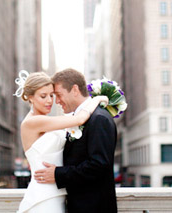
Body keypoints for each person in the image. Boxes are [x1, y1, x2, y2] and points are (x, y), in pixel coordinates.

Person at [15, 71, 107, 213]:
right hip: (43, 195)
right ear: (30, 98)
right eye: (43, 96)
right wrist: (96, 99)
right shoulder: (33, 122)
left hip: (58, 191)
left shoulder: (48, 120)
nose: (49, 101)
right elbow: (79, 119)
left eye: (52, 95)